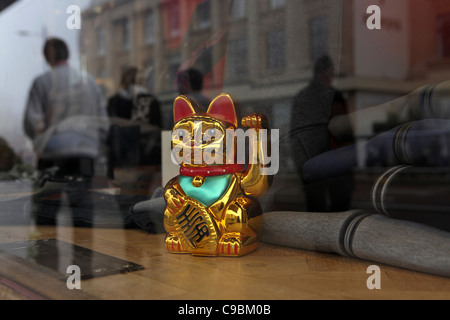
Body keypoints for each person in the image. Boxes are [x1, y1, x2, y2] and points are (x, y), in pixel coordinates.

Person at [23, 37, 109, 227]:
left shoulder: (42, 82)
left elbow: (32, 123)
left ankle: (46, 255)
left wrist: (42, 138)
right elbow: (103, 122)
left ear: (48, 57)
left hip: (53, 155)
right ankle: (84, 254)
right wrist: (95, 145)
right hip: (85, 154)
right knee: (83, 214)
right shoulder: (90, 83)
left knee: (48, 213)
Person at [289, 55, 355, 212]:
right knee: (338, 205)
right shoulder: (333, 97)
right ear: (325, 73)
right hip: (333, 161)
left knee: (316, 205)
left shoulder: (303, 97)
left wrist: (302, 163)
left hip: (313, 161)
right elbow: (345, 131)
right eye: (330, 73)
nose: (331, 77)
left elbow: (296, 134)